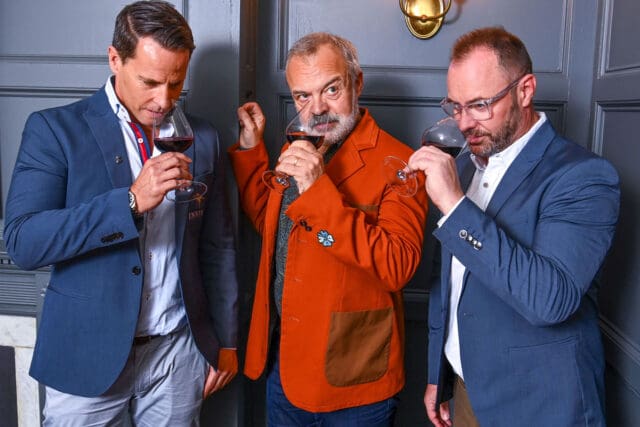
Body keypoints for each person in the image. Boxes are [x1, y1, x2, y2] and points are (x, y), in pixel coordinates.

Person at [3, 1, 239, 425]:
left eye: (175, 82)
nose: (164, 100)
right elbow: (24, 241)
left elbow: (217, 248)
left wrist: (226, 341)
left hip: (178, 354)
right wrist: (129, 202)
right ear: (115, 59)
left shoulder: (203, 136)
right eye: (149, 82)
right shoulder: (54, 130)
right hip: (86, 355)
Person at [407, 27, 620, 427]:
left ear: (525, 90)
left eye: (479, 105)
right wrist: (439, 375)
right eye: (455, 106)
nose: (463, 123)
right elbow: (446, 280)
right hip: (467, 392)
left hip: (540, 405)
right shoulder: (463, 166)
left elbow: (550, 300)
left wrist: (454, 206)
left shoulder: (584, 177)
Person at [231, 32, 428, 425]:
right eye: (303, 96)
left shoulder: (401, 163)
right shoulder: (297, 148)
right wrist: (252, 150)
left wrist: (318, 189)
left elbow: (397, 265)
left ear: (357, 83)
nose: (317, 108)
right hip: (284, 366)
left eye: (331, 89)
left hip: (354, 378)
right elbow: (275, 224)